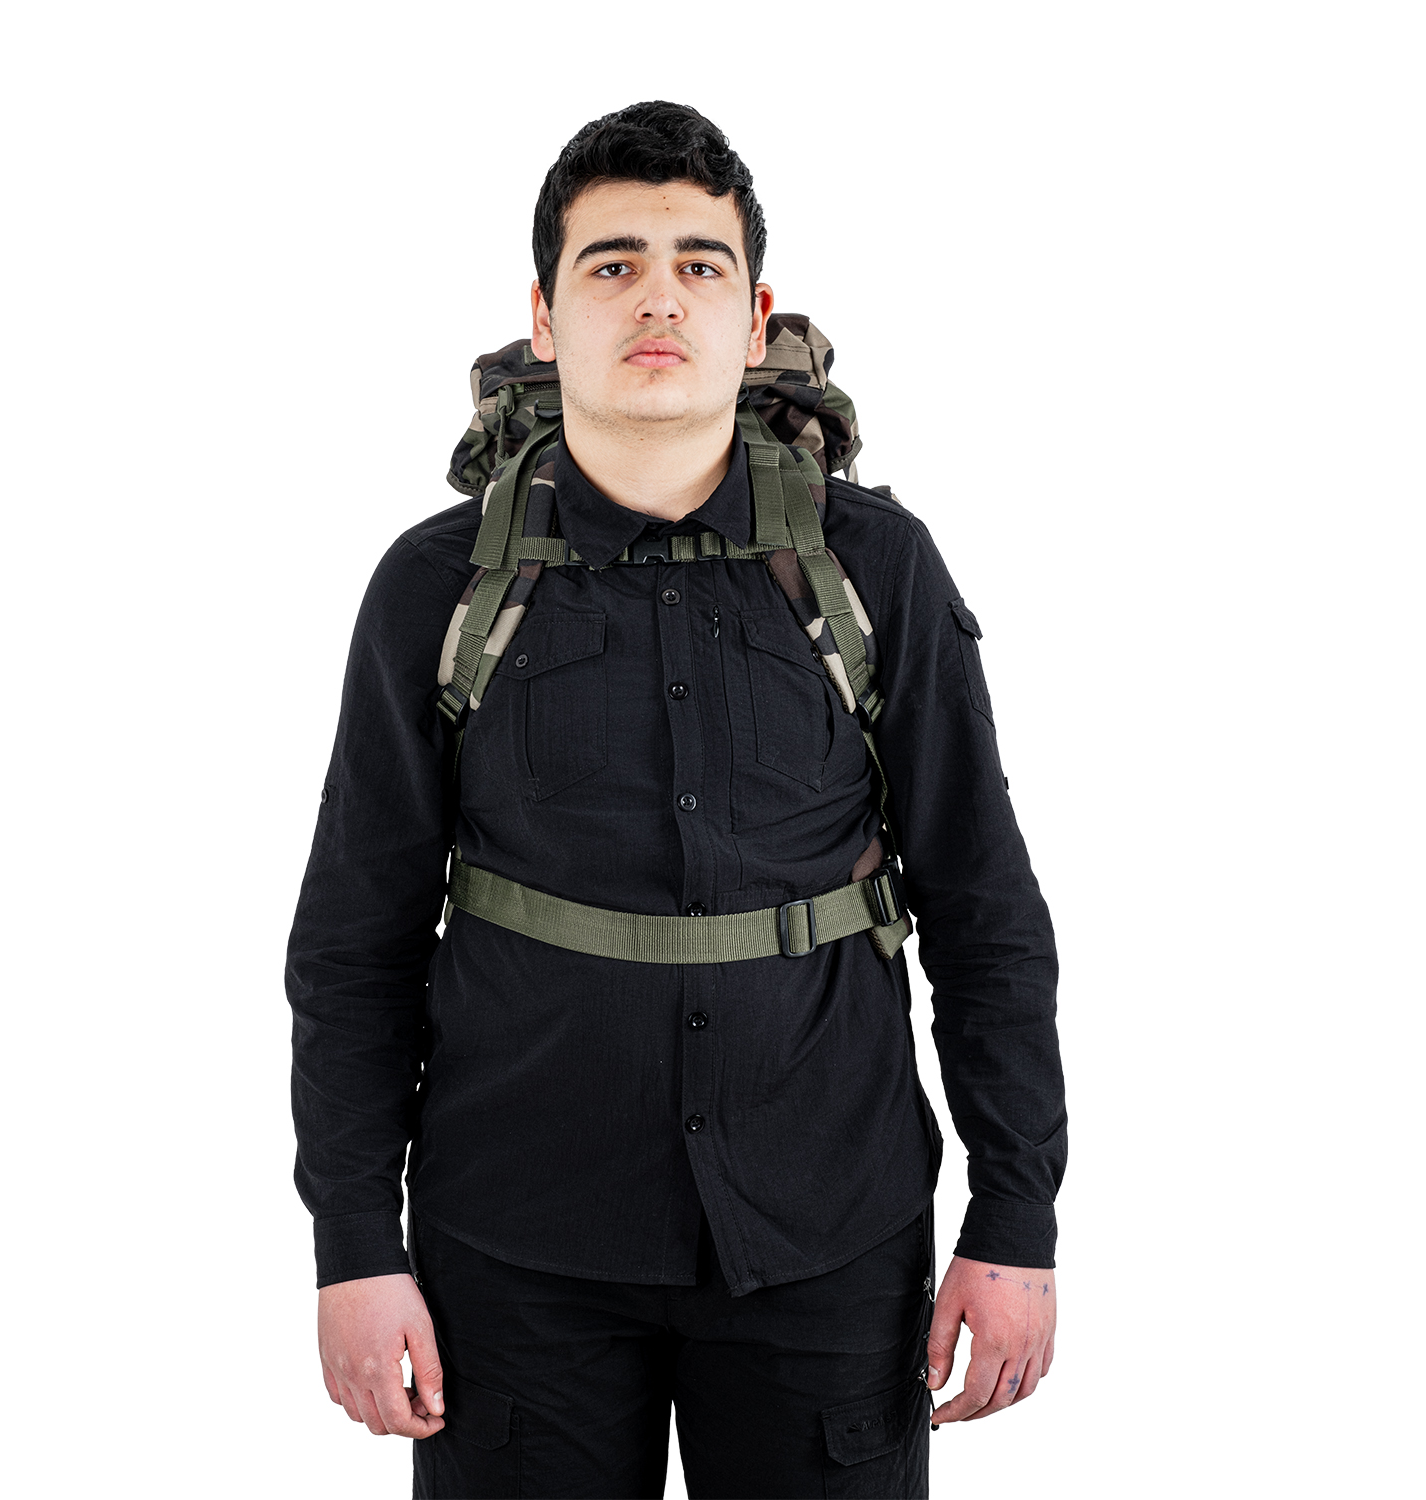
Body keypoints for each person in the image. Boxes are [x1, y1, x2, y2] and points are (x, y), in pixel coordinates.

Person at [287, 100, 1066, 1499]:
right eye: (614, 264)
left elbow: (985, 909)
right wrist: (354, 1243)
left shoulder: (874, 569)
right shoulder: (438, 588)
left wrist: (1017, 1219)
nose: (660, 297)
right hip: (514, 1251)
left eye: (700, 265)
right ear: (545, 317)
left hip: (829, 1235)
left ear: (754, 318)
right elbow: (355, 945)